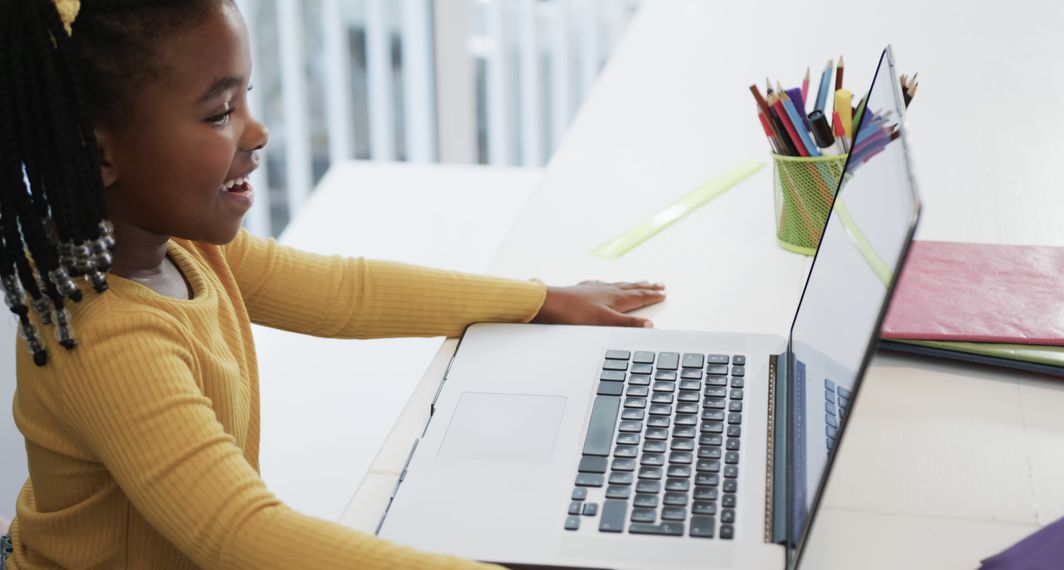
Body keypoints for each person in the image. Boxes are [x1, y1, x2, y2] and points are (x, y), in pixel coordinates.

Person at [0, 1, 666, 568]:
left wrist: (541, 300)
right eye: (218, 113)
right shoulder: (107, 338)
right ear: (103, 153)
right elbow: (241, 531)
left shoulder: (188, 251)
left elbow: (345, 292)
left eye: (247, 98)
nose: (256, 133)